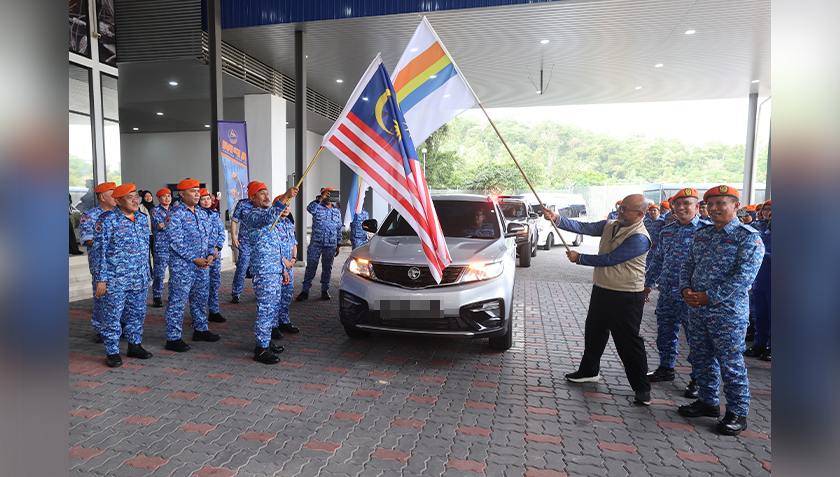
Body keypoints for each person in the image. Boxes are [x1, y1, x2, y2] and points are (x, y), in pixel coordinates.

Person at [542, 194, 652, 405]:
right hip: (602, 289)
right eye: (619, 207)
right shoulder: (611, 225)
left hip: (626, 296)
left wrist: (580, 258)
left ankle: (642, 388)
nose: (620, 212)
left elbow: (611, 259)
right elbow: (584, 228)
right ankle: (589, 371)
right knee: (594, 332)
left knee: (627, 342)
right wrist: (556, 218)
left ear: (640, 214)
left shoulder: (639, 237)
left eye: (625, 210)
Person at [677, 185, 764, 436]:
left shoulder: (748, 238)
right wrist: (685, 290)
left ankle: (737, 412)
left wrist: (707, 297)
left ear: (736, 206)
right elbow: (688, 264)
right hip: (696, 309)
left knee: (730, 363)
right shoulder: (703, 233)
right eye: (710, 204)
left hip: (727, 314)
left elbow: (744, 279)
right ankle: (707, 402)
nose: (714, 209)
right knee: (701, 358)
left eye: (721, 203)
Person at [644, 188, 709, 399]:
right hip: (667, 293)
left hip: (691, 296)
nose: (681, 208)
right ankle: (666, 368)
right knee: (665, 332)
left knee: (696, 339)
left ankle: (697, 379)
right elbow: (659, 259)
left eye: (687, 204)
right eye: (677, 204)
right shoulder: (668, 231)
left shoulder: (707, 232)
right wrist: (648, 283)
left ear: (697, 206)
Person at [92, 183, 153, 367]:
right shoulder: (107, 220)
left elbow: (145, 249)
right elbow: (98, 252)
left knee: (137, 314)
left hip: (140, 277)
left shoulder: (142, 218)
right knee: (112, 317)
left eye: (136, 197)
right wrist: (100, 279)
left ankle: (134, 345)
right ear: (118, 200)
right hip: (115, 280)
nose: (135, 200)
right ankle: (112, 351)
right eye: (130, 197)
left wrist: (148, 273)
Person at [162, 179, 220, 352]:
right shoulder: (175, 214)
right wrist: (195, 258)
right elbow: (175, 242)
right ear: (181, 194)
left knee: (201, 299)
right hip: (183, 267)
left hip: (202, 265)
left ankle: (200, 329)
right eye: (193, 191)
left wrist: (210, 253)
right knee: (178, 302)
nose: (197, 194)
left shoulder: (203, 213)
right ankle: (173, 338)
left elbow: (210, 237)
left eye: (198, 191)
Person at [244, 183, 299, 363]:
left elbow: (277, 247)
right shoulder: (252, 215)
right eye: (262, 194)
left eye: (268, 193)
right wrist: (285, 197)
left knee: (273, 308)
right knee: (266, 309)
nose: (267, 197)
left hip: (274, 269)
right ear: (252, 198)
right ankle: (261, 349)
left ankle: (266, 342)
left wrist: (283, 269)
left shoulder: (270, 217)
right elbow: (268, 217)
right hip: (264, 271)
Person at [79, 182, 117, 342]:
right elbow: (86, 239)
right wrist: (109, 245)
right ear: (102, 197)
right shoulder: (89, 215)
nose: (116, 198)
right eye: (112, 194)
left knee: (118, 296)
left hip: (120, 264)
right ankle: (100, 328)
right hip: (100, 263)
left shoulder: (119, 214)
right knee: (101, 297)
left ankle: (116, 325)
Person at [296, 187, 342, 301]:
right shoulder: (317, 206)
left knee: (327, 268)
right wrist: (321, 198)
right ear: (322, 194)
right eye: (327, 194)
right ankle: (305, 291)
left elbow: (339, 228)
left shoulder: (336, 210)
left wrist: (338, 244)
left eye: (331, 195)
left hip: (330, 244)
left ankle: (325, 290)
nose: (329, 197)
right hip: (316, 243)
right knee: (311, 267)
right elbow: (309, 208)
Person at [744, 217, 771, 361]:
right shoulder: (763, 235)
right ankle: (759, 344)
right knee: (759, 315)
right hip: (760, 282)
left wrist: (761, 253)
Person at [199, 188, 227, 323]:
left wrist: (217, 248)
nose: (206, 201)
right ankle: (199, 314)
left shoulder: (215, 214)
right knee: (201, 286)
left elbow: (221, 233)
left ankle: (214, 311)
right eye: (203, 199)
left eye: (208, 199)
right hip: (202, 257)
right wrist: (210, 251)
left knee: (214, 283)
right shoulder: (197, 215)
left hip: (215, 255)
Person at [274, 204, 300, 338]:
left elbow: (294, 243)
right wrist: (285, 261)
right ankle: (274, 325)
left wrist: (294, 259)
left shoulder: (289, 222)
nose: (287, 208)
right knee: (276, 297)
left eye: (289, 205)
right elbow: (274, 247)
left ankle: (284, 321)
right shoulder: (273, 224)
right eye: (284, 205)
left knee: (287, 294)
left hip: (290, 264)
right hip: (279, 264)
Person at [229, 183, 258, 304]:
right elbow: (234, 220)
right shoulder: (242, 204)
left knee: (258, 269)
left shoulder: (264, 205)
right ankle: (236, 293)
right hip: (245, 242)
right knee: (242, 267)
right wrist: (234, 237)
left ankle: (260, 291)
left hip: (259, 243)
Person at [150, 188, 173, 308]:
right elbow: (160, 225)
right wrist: (174, 224)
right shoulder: (155, 210)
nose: (167, 198)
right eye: (164, 196)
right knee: (159, 273)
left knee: (175, 273)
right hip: (161, 246)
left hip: (175, 246)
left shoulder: (174, 210)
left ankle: (173, 296)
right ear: (158, 198)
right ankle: (157, 295)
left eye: (169, 196)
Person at [139, 190, 155, 272]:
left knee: (155, 255)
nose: (148, 198)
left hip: (155, 235)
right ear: (143, 197)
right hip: (145, 235)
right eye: (146, 196)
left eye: (150, 196)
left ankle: (157, 272)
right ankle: (150, 272)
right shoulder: (140, 207)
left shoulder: (155, 207)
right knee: (146, 256)